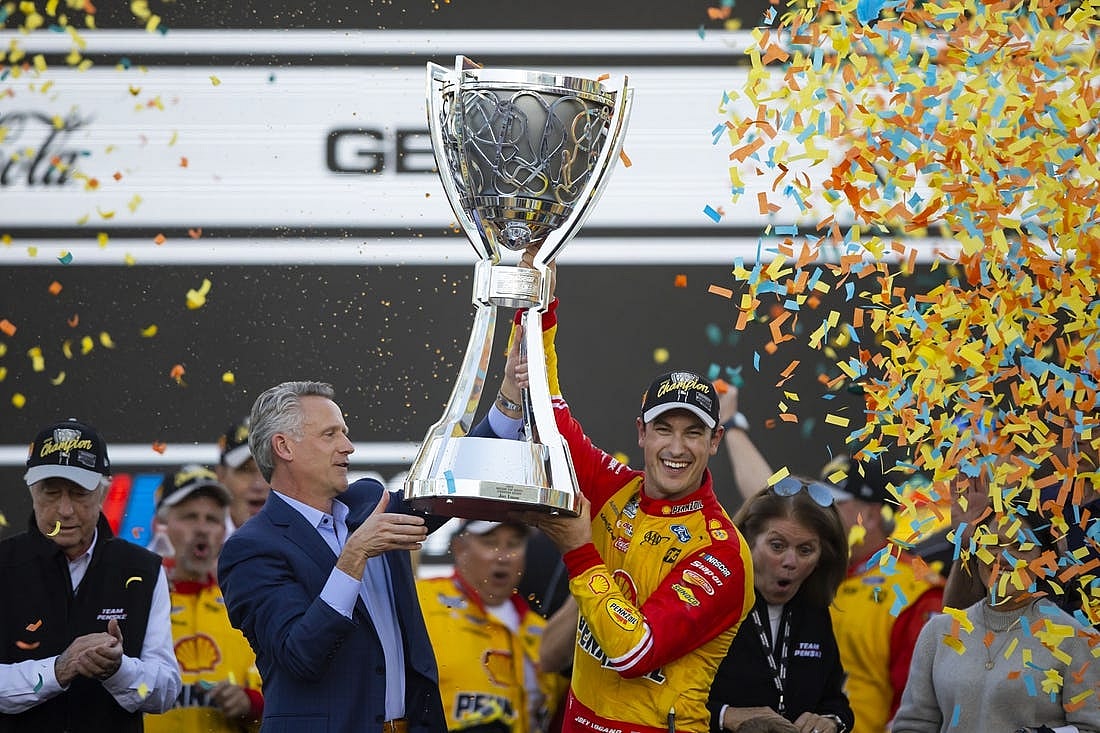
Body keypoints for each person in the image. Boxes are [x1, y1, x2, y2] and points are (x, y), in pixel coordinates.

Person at [476, 248, 757, 733]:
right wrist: (538, 304)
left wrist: (579, 552)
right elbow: (547, 410)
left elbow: (633, 652)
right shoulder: (615, 489)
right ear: (641, 434)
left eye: (693, 433)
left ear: (714, 442)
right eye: (663, 429)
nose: (677, 447)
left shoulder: (722, 551)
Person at [217, 381, 447, 733]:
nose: (348, 446)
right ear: (284, 447)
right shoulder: (251, 549)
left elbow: (445, 490)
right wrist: (353, 556)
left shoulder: (371, 503)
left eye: (345, 433)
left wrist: (506, 407)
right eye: (330, 435)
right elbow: (300, 655)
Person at [719, 387, 945, 732]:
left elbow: (922, 705)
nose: (821, 510)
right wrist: (732, 426)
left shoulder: (912, 589)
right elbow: (766, 503)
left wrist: (833, 720)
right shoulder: (815, 570)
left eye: (834, 502)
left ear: (870, 516)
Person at [0, 418, 181, 731]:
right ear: (32, 491)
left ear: (103, 491)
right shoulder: (3, 565)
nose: (65, 510)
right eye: (51, 493)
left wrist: (118, 670)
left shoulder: (143, 569)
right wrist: (57, 670)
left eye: (80, 493)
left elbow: (165, 692)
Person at [892, 508, 1100, 732]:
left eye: (1019, 547)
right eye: (992, 544)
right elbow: (913, 725)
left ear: (1044, 558)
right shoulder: (937, 633)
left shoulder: (1077, 639)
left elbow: (1091, 728)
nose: (1003, 558)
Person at [707, 478, 854, 733]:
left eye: (805, 550)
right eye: (777, 546)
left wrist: (830, 720)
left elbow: (835, 701)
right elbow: (662, 698)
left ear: (822, 557)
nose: (790, 561)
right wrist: (727, 716)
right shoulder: (710, 600)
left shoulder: (813, 611)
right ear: (748, 541)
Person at [144, 464, 263, 732]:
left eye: (212, 520)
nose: (201, 529)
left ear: (223, 532)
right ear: (160, 525)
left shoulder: (243, 603)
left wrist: (248, 704)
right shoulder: (136, 602)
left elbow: (281, 700)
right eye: (189, 517)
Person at [416, 519, 566, 732]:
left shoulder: (543, 632)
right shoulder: (421, 600)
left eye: (513, 544)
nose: (503, 557)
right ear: (459, 548)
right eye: (490, 542)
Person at [214, 417, 270, 534]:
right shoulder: (194, 543)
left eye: (270, 469)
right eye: (246, 470)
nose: (259, 485)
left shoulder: (311, 542)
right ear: (221, 475)